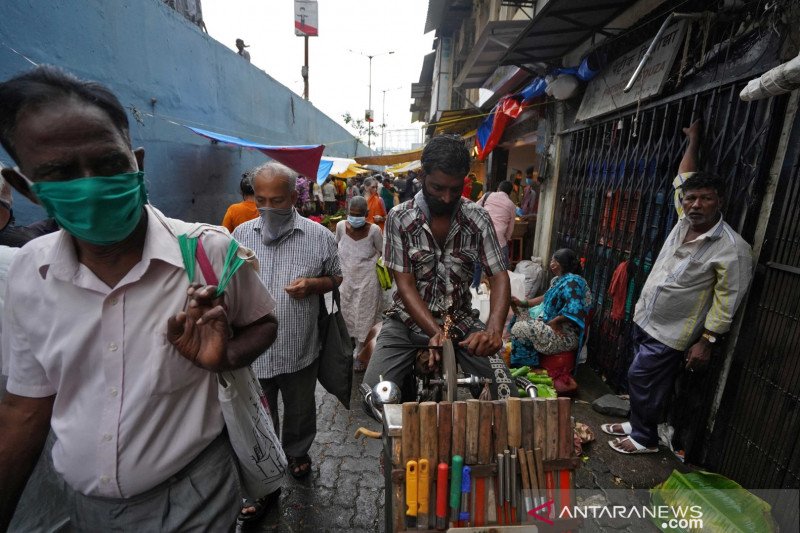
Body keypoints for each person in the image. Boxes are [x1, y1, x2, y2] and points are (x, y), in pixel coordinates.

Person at [0, 66, 279, 531]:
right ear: (29, 187)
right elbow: (24, 409)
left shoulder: (208, 252)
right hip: (84, 509)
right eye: (62, 173)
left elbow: (265, 323)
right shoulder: (29, 272)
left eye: (109, 164)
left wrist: (225, 355)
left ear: (138, 162)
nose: (91, 186)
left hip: (196, 498)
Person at [603, 120, 753, 454]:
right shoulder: (682, 219)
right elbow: (683, 178)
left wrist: (707, 342)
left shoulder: (732, 248)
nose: (696, 204)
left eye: (706, 199)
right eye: (691, 199)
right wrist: (694, 140)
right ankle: (637, 422)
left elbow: (727, 301)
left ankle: (645, 439)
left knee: (646, 380)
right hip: (646, 316)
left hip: (673, 331)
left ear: (720, 202)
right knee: (640, 378)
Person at [363, 135, 515, 402]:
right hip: (406, 323)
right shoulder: (400, 217)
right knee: (374, 398)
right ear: (422, 175)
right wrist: (435, 333)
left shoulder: (478, 218)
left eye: (455, 190)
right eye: (437, 188)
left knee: (506, 395)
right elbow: (405, 285)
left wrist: (493, 330)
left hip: (461, 321)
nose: (446, 198)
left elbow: (499, 276)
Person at [232, 162, 342, 479]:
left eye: (276, 200)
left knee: (300, 409)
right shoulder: (241, 235)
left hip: (300, 345)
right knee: (260, 412)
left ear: (293, 197)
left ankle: (297, 452)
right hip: (255, 350)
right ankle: (267, 463)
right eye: (260, 200)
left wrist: (314, 285)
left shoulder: (320, 237)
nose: (267, 208)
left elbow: (337, 277)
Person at [510, 249, 592, 372]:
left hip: (565, 335)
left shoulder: (574, 281)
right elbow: (545, 297)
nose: (551, 263)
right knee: (520, 313)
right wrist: (523, 303)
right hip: (550, 324)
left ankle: (528, 368)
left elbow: (576, 309)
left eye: (553, 260)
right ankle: (528, 358)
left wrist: (555, 322)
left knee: (520, 328)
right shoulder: (558, 280)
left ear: (559, 264)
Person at [335, 196, 384, 372]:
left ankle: (362, 353)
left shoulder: (375, 230)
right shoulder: (341, 226)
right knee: (347, 313)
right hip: (346, 278)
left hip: (368, 279)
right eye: (352, 214)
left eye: (359, 215)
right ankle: (351, 349)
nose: (355, 218)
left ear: (367, 214)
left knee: (365, 316)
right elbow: (337, 246)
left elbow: (382, 251)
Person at [473, 180, 516, 288]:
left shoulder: (488, 195)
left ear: (498, 188)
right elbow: (511, 227)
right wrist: (506, 239)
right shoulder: (511, 204)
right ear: (510, 193)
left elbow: (474, 208)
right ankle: (500, 290)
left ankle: (474, 288)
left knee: (477, 266)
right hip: (499, 240)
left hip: (482, 236)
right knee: (502, 269)